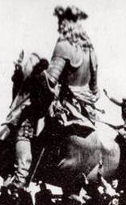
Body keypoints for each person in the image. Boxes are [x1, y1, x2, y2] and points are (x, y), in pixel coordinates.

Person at [40, 5, 99, 135]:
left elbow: (50, 81)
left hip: (67, 109)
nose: (59, 27)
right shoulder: (91, 52)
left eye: (60, 23)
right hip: (88, 113)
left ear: (64, 23)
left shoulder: (63, 46)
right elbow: (95, 90)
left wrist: (38, 74)